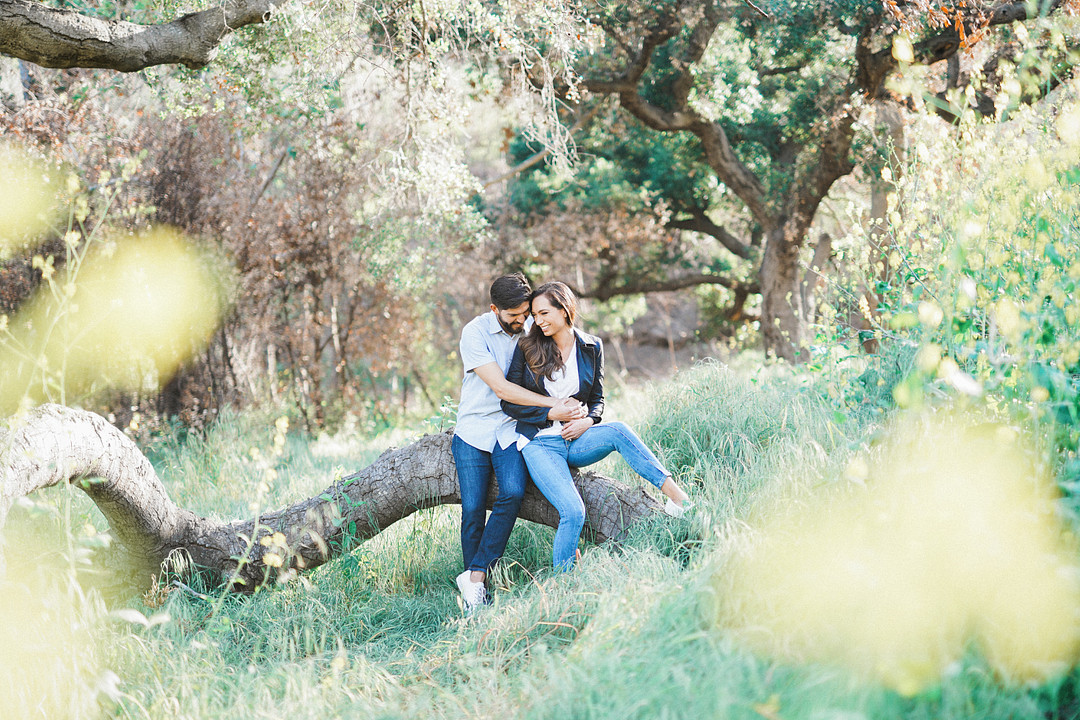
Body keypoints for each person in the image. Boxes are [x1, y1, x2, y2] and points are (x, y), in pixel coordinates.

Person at [501, 281, 691, 571]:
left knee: (619, 430)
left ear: (564, 310)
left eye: (543, 313)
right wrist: (553, 413)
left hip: (577, 439)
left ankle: (680, 501)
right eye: (535, 316)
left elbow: (597, 399)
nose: (537, 321)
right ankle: (563, 586)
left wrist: (587, 422)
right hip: (540, 443)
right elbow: (509, 403)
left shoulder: (591, 346)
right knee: (574, 512)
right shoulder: (528, 346)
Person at [453, 273, 586, 612]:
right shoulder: (474, 333)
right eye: (514, 315)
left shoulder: (531, 329)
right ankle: (475, 598)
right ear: (494, 308)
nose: (522, 320)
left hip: (512, 428)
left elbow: (565, 361)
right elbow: (501, 389)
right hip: (473, 429)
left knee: (512, 492)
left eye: (526, 312)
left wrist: (581, 409)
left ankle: (476, 575)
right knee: (472, 509)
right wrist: (551, 407)